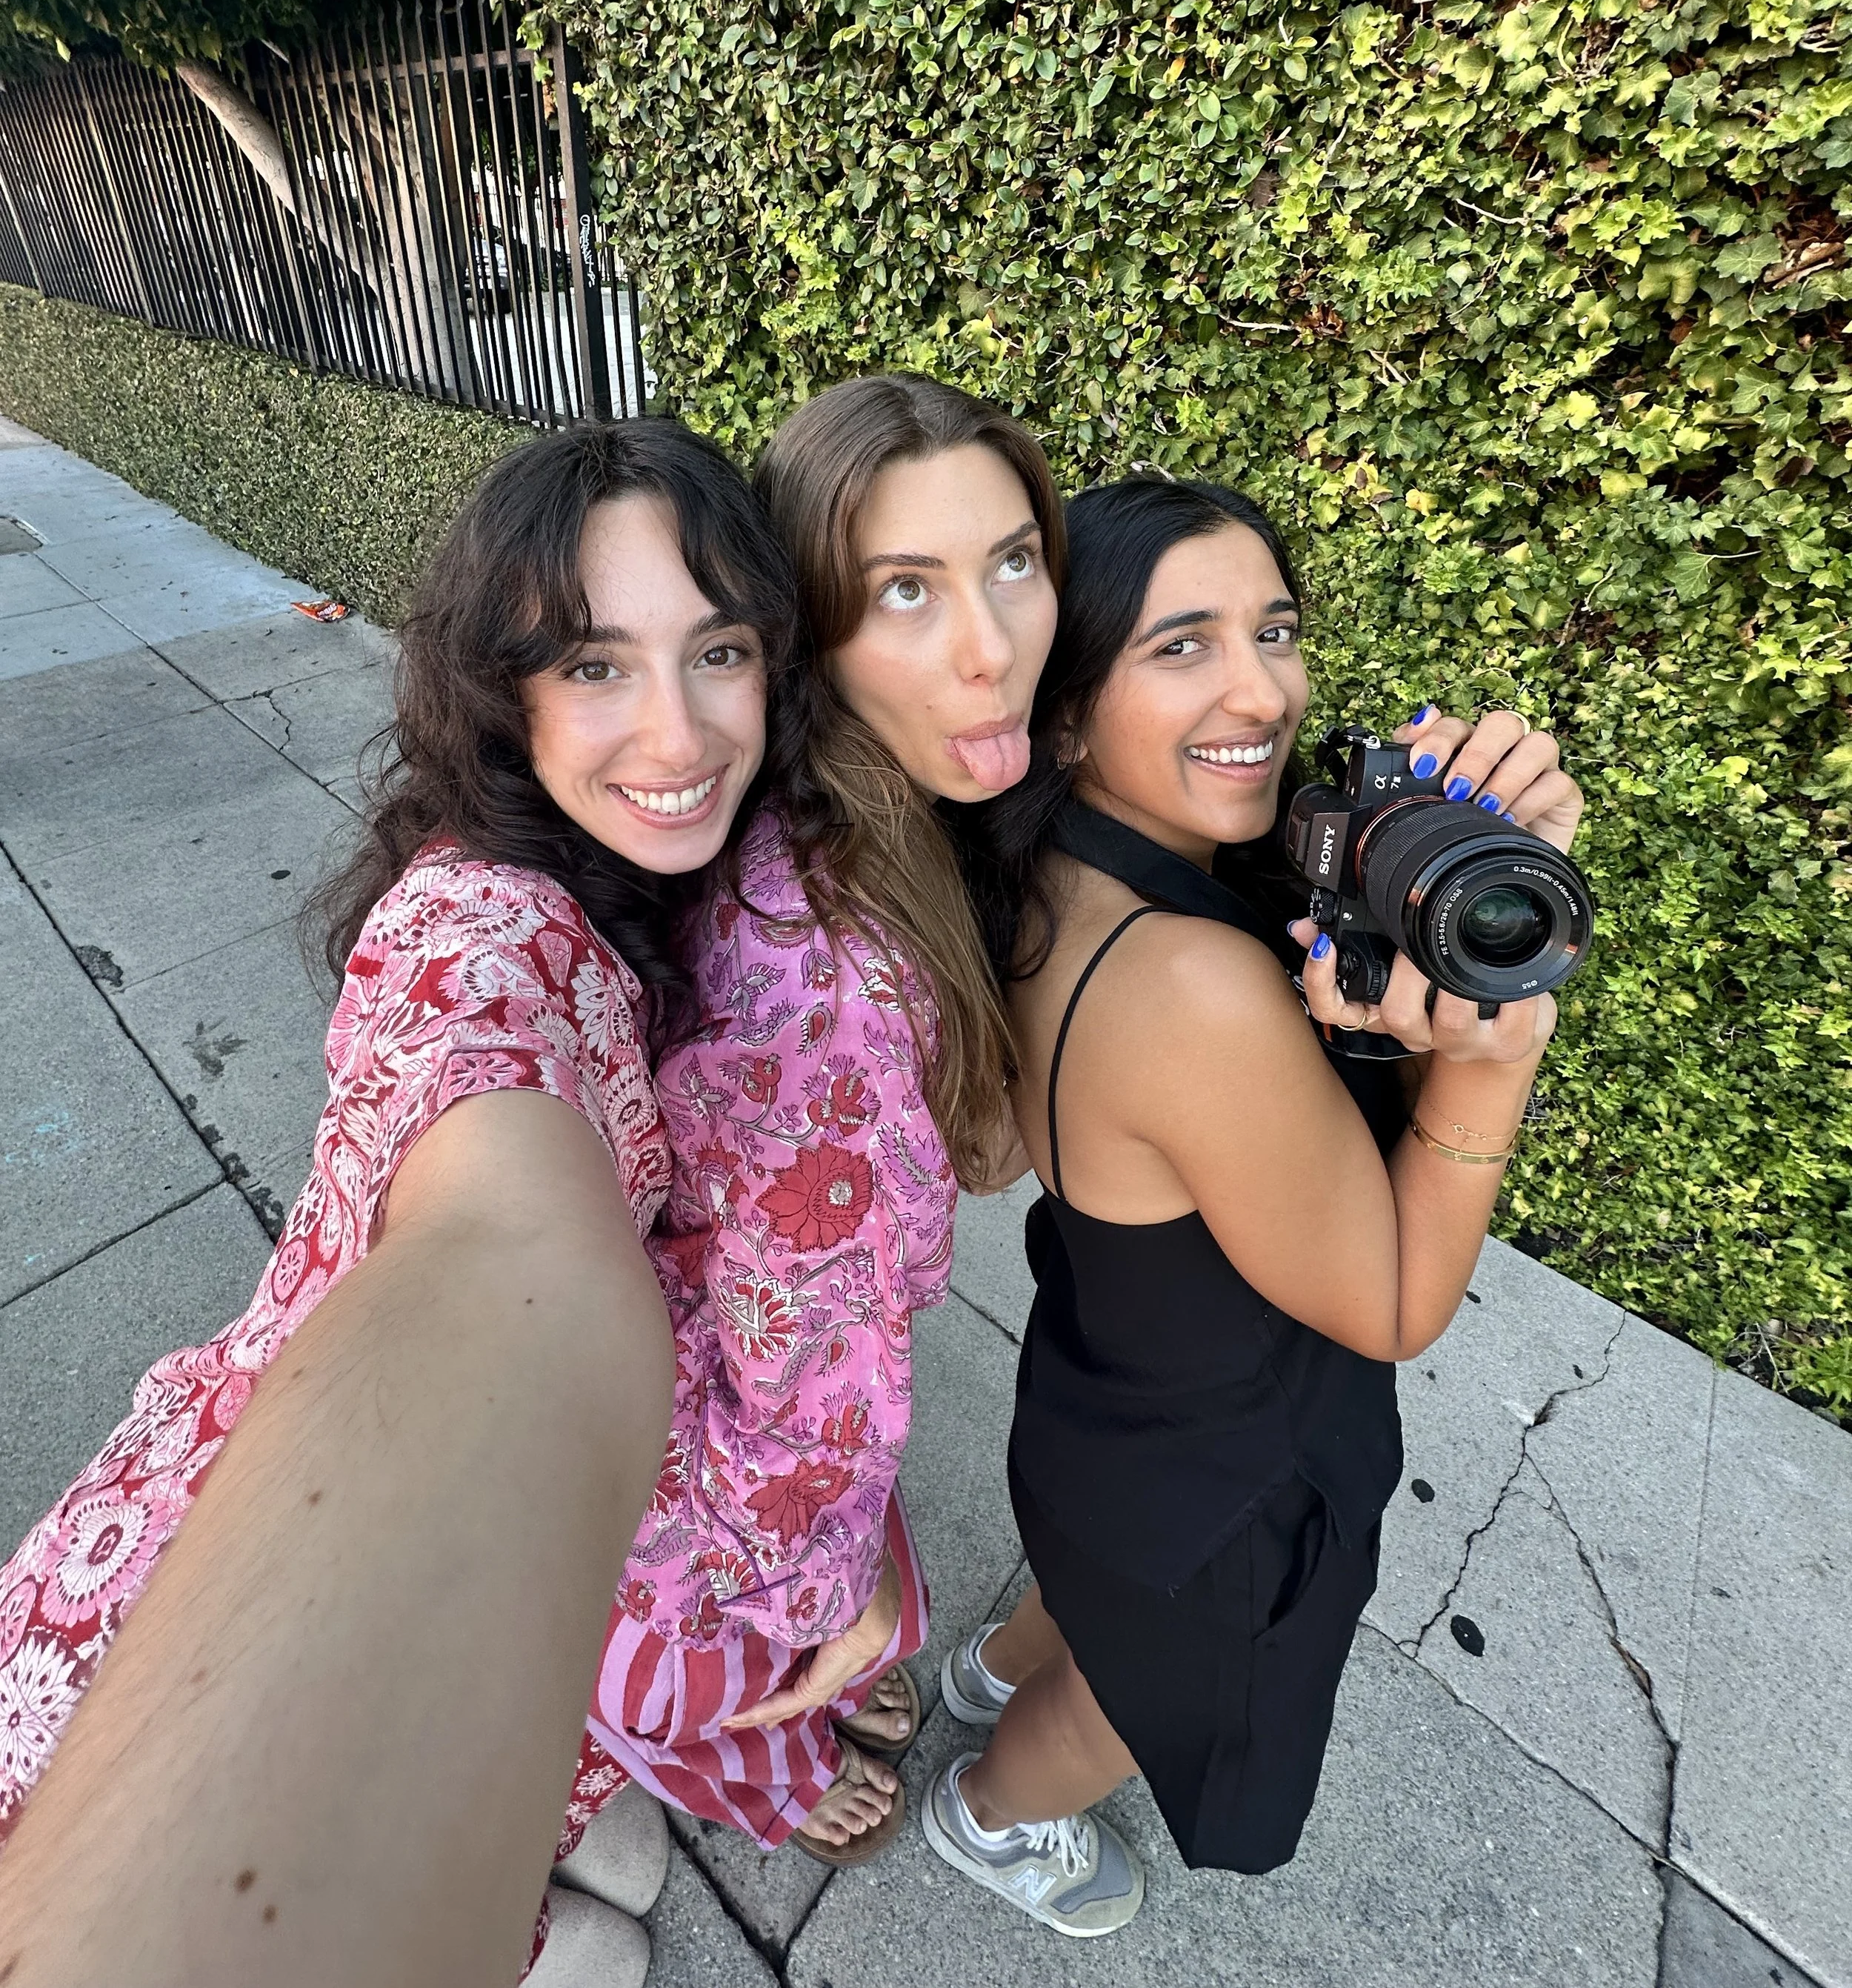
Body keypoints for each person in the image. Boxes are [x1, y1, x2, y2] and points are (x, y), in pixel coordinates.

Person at [0, 420, 796, 1988]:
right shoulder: (473, 931)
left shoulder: (658, 863)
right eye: (592, 666)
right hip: (239, 1542)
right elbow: (507, 1243)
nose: (679, 730)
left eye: (719, 650)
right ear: (500, 691)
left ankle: (539, 1853)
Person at [924, 476, 1587, 1936]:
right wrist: (1494, 1054)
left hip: (1115, 1396)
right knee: (1132, 1694)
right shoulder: (1187, 982)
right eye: (1179, 645)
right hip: (1218, 1468)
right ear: (1066, 705)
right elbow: (1392, 1300)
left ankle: (987, 1667)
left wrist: (1404, 859)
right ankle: (983, 1810)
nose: (1259, 686)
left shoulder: (1053, 875)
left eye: (1271, 627)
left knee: (1099, 1605)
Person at [582, 373, 1062, 1864]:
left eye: (1013, 563)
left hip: (684, 1349)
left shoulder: (844, 818)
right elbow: (808, 1381)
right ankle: (777, 1779)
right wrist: (826, 1589)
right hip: (710, 1459)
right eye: (903, 591)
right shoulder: (836, 989)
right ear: (807, 629)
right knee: (779, 1685)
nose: (990, 649)